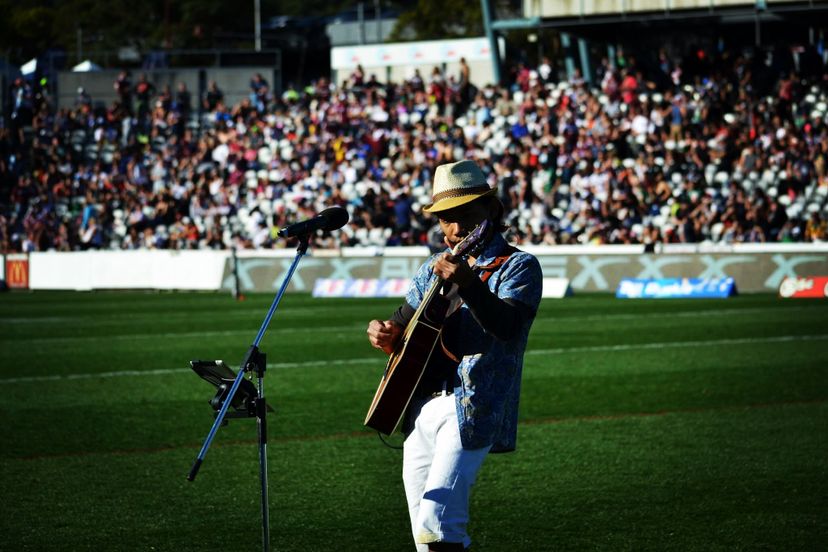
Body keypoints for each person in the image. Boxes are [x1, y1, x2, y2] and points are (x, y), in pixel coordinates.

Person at [366, 159, 543, 551]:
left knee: (439, 521)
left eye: (465, 214)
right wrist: (382, 332)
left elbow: (508, 327)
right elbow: (401, 322)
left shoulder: (519, 265)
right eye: (446, 219)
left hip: (472, 405)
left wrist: (468, 282)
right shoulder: (433, 266)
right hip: (420, 408)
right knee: (422, 534)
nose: (455, 228)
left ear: (492, 211)